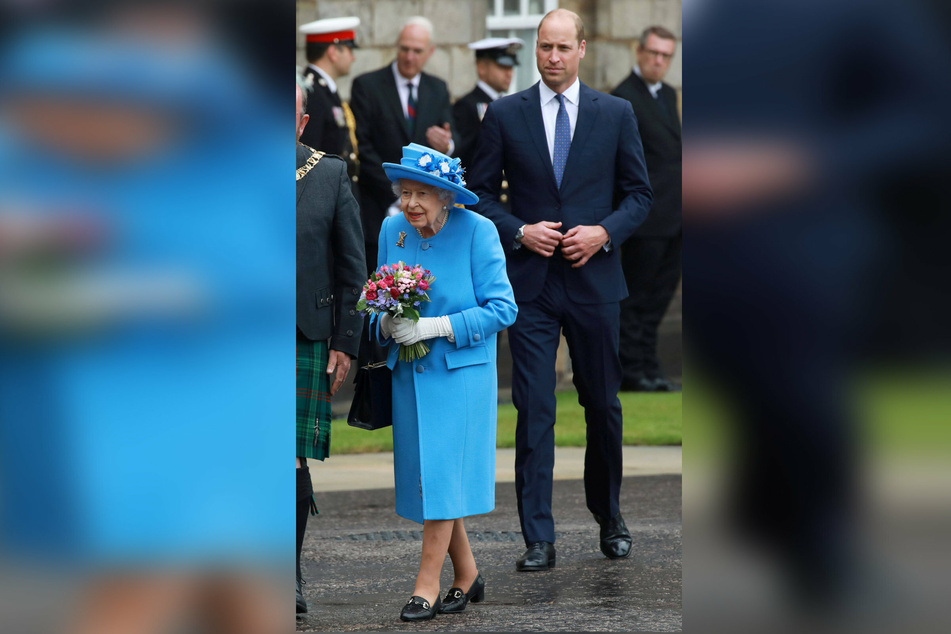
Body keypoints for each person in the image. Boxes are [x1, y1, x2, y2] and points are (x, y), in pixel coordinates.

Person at [467, 9, 653, 571]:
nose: (551, 56)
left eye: (561, 47)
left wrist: (603, 233)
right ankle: (538, 537)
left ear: (582, 49)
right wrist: (520, 230)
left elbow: (640, 196)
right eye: (543, 47)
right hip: (531, 286)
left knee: (602, 403)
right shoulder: (503, 114)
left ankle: (610, 516)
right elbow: (476, 195)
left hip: (595, 283)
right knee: (535, 408)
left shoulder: (616, 113)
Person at [375, 143, 517, 621]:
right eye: (405, 192)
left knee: (439, 475)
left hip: (459, 377)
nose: (410, 204)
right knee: (433, 480)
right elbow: (376, 295)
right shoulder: (392, 229)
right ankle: (468, 573)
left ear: (447, 197)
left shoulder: (479, 231)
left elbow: (503, 308)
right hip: (409, 377)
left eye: (422, 194)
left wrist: (435, 327)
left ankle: (425, 585)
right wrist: (387, 324)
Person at [295, 83, 365, 614]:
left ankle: (286, 575)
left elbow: (352, 270)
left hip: (302, 334)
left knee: (287, 459)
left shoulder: (329, 173)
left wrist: (345, 341)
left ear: (301, 122)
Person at [350, 16, 457, 274]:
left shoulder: (437, 88)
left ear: (429, 52)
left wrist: (447, 145)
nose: (409, 57)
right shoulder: (367, 85)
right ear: (396, 47)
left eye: (417, 51)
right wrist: (400, 193)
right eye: (404, 49)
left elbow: (453, 137)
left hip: (427, 213)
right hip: (379, 207)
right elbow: (361, 148)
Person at [611, 26, 682, 392]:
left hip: (677, 215)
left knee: (659, 301)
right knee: (636, 298)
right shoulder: (625, 98)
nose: (658, 61)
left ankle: (650, 367)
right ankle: (632, 370)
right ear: (639, 52)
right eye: (653, 53)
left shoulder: (667, 95)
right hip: (647, 218)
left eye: (665, 55)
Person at [298, 17, 361, 190]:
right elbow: (308, 159)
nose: (353, 58)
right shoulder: (313, 94)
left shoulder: (324, 90)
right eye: (349, 49)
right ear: (333, 52)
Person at [453, 37, 523, 171]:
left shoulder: (506, 105)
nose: (509, 73)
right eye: (502, 67)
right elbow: (462, 158)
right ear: (481, 68)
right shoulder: (467, 106)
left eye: (511, 67)